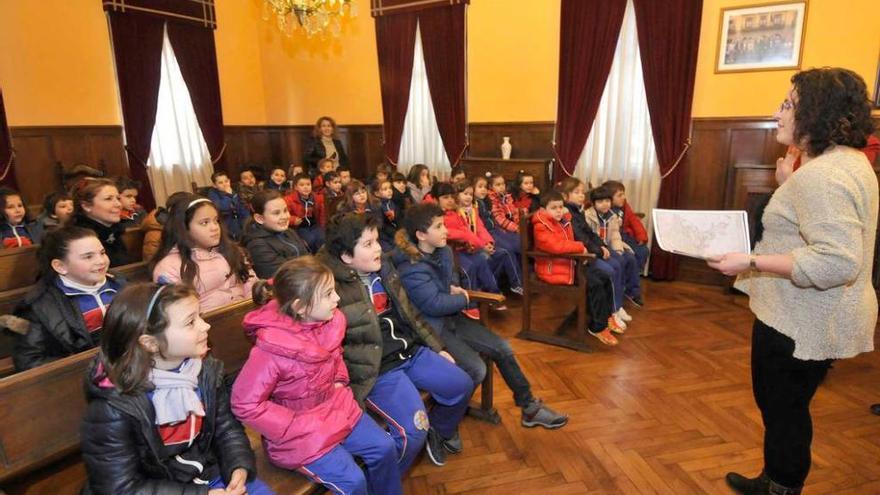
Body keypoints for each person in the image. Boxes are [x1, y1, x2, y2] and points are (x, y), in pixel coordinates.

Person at [708, 68, 877, 495]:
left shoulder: (824, 176)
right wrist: (790, 184)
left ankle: (781, 487)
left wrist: (751, 260)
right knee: (788, 407)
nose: (777, 113)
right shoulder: (845, 162)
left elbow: (837, 261)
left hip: (800, 322)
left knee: (783, 409)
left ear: (815, 113)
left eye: (788, 105)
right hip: (812, 316)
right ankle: (778, 480)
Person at [80, 283, 273, 495]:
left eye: (200, 316)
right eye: (190, 322)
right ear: (150, 343)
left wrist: (238, 466)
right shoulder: (112, 408)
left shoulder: (202, 370)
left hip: (206, 473)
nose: (205, 326)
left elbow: (225, 427)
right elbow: (120, 488)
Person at [232, 257, 402, 495]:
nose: (337, 298)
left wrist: (340, 382)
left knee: (385, 447)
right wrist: (291, 423)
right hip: (299, 430)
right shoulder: (270, 350)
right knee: (353, 481)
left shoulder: (328, 322)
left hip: (335, 406)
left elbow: (336, 357)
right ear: (301, 307)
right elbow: (245, 403)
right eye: (328, 294)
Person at [316, 213, 473, 468]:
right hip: (377, 368)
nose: (379, 248)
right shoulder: (328, 288)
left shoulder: (384, 268)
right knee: (414, 430)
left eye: (377, 241)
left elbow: (410, 313)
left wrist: (437, 347)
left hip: (408, 351)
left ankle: (440, 432)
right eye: (368, 244)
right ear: (346, 257)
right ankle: (386, 480)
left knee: (462, 384)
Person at [393, 203, 568, 429]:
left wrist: (455, 290)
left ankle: (530, 408)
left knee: (503, 348)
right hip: (431, 329)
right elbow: (435, 304)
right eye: (439, 226)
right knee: (477, 369)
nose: (446, 230)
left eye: (444, 224)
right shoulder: (411, 267)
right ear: (421, 235)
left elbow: (450, 284)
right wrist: (464, 298)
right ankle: (443, 419)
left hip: (452, 318)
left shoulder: (444, 251)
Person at [7, 226, 124, 371]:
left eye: (102, 252)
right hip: (82, 377)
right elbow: (29, 361)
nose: (101, 261)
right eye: (88, 256)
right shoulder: (38, 306)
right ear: (60, 266)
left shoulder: (119, 283)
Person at [532, 191, 620, 345]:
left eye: (560, 207)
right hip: (552, 269)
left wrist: (579, 250)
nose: (559, 211)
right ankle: (598, 327)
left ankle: (603, 317)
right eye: (554, 208)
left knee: (603, 277)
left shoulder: (561, 220)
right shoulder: (541, 225)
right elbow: (555, 246)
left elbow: (567, 242)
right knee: (594, 283)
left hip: (567, 263)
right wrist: (580, 248)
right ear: (543, 210)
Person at [151, 195, 256, 312]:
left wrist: (252, 310)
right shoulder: (169, 267)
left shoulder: (232, 250)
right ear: (184, 228)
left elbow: (250, 283)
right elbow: (179, 314)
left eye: (216, 220)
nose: (215, 227)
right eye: (204, 223)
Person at [558, 178, 631, 328]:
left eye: (582, 192)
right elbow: (580, 237)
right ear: (565, 196)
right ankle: (611, 312)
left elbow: (590, 233)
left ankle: (616, 308)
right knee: (610, 270)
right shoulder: (567, 213)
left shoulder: (577, 211)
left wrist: (602, 246)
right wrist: (598, 250)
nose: (581, 195)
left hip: (591, 251)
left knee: (619, 261)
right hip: (580, 259)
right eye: (576, 192)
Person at [585, 186, 643, 308]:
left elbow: (615, 235)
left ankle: (629, 293)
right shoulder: (588, 216)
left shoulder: (612, 216)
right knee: (618, 262)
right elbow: (589, 237)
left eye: (607, 201)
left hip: (611, 246)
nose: (604, 204)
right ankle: (615, 301)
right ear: (593, 203)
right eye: (600, 202)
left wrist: (618, 250)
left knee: (630, 258)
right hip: (598, 248)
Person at [242, 189, 309, 279]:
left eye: (285, 210)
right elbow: (282, 276)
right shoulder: (257, 245)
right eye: (276, 213)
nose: (285, 217)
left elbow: (308, 259)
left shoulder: (289, 232)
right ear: (260, 218)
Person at [72, 178, 130, 267]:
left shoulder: (114, 232)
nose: (118, 204)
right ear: (86, 206)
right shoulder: (76, 239)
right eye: (108, 199)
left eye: (118, 198)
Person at [603, 180, 649, 272]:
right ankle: (628, 276)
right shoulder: (605, 208)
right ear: (610, 198)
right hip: (614, 238)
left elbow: (633, 219)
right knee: (628, 256)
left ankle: (635, 273)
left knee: (643, 250)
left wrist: (641, 236)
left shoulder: (624, 206)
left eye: (623, 194)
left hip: (625, 235)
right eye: (619, 195)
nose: (623, 197)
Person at [284, 173, 325, 253]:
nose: (306, 187)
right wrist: (293, 220)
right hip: (300, 226)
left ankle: (320, 257)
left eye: (308, 184)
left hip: (314, 225)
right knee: (310, 240)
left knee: (322, 238)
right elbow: (285, 215)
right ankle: (311, 257)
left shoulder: (317, 198)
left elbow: (321, 215)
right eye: (302, 185)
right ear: (296, 187)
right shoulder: (289, 200)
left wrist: (322, 226)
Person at [207, 171, 251, 241]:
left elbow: (242, 207)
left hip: (238, 222)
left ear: (229, 181)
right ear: (214, 185)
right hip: (225, 222)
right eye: (220, 183)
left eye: (226, 181)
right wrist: (229, 195)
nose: (225, 184)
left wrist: (247, 222)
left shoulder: (234, 191)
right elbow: (223, 207)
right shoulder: (212, 194)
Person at [370, 176, 401, 251]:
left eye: (390, 188)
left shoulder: (392, 203)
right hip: (383, 237)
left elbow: (398, 219)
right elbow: (381, 227)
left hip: (394, 233)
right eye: (385, 189)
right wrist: (395, 234)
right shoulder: (377, 206)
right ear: (377, 193)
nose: (389, 191)